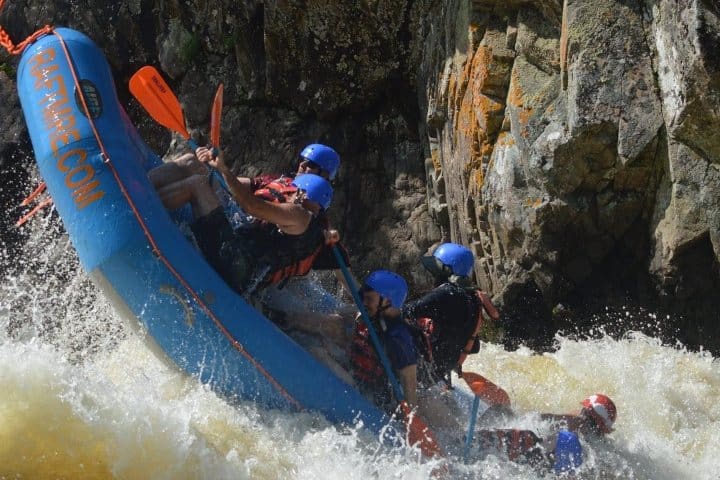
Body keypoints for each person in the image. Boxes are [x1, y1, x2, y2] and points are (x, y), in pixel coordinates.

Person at [153, 145, 334, 295]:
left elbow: (251, 206)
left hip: (240, 269)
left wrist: (224, 169)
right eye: (295, 191)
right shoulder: (285, 186)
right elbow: (227, 185)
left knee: (196, 184)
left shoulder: (301, 216)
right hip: (237, 244)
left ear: (316, 204)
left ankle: (144, 202)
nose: (295, 195)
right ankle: (140, 184)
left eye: (300, 193)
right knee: (192, 163)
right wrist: (212, 167)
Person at [402, 242, 502, 391]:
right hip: (444, 367)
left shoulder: (446, 293)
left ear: (446, 271)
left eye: (437, 270)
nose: (433, 274)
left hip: (426, 368)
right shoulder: (474, 297)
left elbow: (407, 311)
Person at [473, 393, 617, 471]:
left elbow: (537, 419)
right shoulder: (601, 450)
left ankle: (476, 436)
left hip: (536, 458)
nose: (581, 415)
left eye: (585, 413)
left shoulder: (572, 424)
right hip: (542, 462)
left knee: (504, 412)